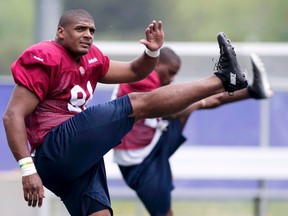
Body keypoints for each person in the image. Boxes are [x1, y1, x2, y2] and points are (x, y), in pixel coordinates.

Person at [2, 9, 249, 216]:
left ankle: (224, 79)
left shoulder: (92, 59)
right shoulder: (46, 56)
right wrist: (27, 169)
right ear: (60, 32)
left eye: (91, 31)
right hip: (55, 148)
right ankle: (222, 79)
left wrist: (152, 52)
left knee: (100, 213)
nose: (88, 35)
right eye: (80, 29)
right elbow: (12, 115)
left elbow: (134, 70)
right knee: (134, 104)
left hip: (78, 159)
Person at [111, 47, 273, 216]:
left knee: (191, 101)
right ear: (157, 63)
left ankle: (251, 91)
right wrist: (198, 101)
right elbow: (171, 110)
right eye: (170, 72)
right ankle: (245, 88)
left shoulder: (150, 79)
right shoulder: (145, 77)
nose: (171, 79)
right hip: (140, 161)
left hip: (152, 147)